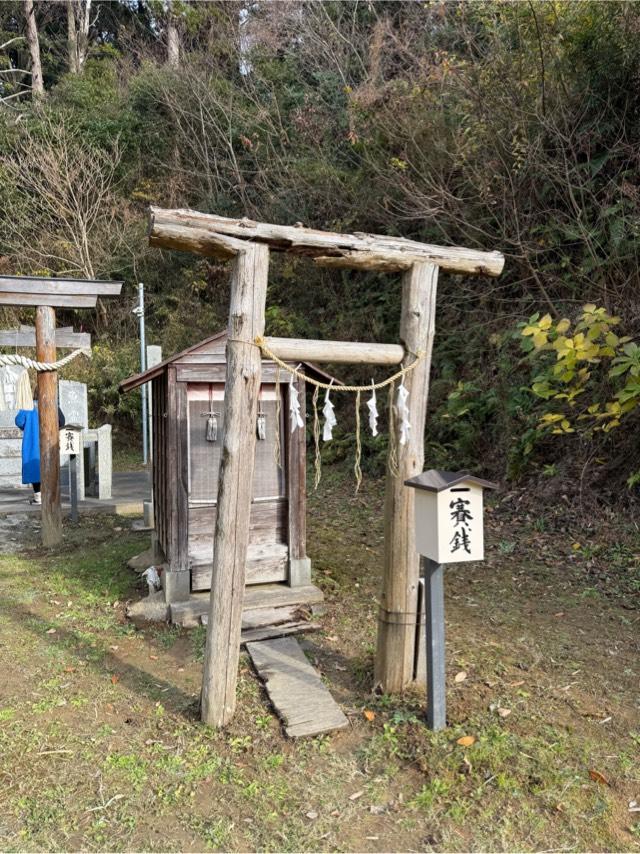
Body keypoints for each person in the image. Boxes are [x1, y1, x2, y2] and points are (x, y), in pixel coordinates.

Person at [15, 387, 65, 505]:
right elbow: (62, 421)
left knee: (34, 468)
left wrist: (27, 426)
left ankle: (38, 496)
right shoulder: (53, 405)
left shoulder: (28, 406)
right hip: (49, 442)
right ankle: (50, 495)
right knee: (49, 466)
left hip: (32, 442)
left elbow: (19, 421)